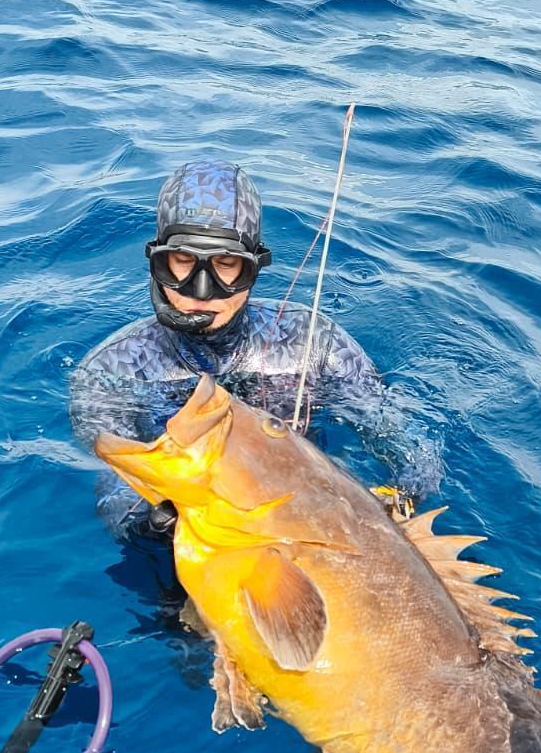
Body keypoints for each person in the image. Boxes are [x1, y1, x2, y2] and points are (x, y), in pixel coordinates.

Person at [69, 160, 441, 536]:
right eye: (182, 261)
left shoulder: (314, 343)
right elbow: (115, 493)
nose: (202, 291)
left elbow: (402, 437)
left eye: (227, 264)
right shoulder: (113, 369)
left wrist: (398, 496)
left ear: (255, 269)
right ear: (157, 263)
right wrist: (156, 524)